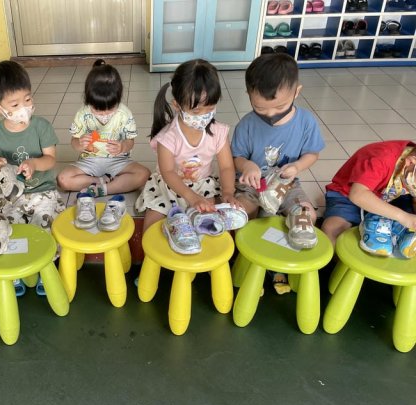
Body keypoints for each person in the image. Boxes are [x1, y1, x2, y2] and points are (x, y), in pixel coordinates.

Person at [231, 53, 324, 293]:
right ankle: (247, 257)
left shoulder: (306, 122)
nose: (271, 114)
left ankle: (281, 256)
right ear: (249, 95)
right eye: (260, 107)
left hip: (286, 184)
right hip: (252, 184)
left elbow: (312, 153)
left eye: (280, 107)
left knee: (308, 213)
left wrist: (297, 167)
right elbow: (236, 157)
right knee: (241, 213)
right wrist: (247, 165)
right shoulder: (247, 124)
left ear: (297, 92)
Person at [134, 59, 243, 254]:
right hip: (169, 187)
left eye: (210, 108)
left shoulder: (219, 132)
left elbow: (226, 167)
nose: (204, 115)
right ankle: (155, 261)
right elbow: (168, 173)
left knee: (215, 223)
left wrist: (228, 192)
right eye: (197, 111)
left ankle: (205, 253)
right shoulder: (168, 137)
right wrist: (192, 198)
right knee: (151, 228)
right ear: (177, 105)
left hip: (203, 185)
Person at [0, 60, 64, 295]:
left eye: (27, 99)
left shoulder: (41, 127)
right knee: (10, 225)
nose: (24, 108)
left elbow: (51, 159)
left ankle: (46, 266)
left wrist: (34, 163)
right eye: (15, 104)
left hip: (42, 190)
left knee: (44, 223)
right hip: (12, 197)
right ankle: (16, 270)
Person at [57, 59, 150, 198]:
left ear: (118, 99)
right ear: (88, 100)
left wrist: (122, 147)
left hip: (118, 160)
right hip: (90, 161)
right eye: (97, 110)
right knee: (63, 180)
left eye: (110, 109)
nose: (104, 114)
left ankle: (104, 189)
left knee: (144, 174)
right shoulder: (83, 114)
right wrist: (80, 143)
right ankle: (100, 181)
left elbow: (130, 141)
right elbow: (74, 141)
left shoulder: (124, 114)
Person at [321, 140, 416, 257]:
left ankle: (401, 237)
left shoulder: (411, 170)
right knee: (333, 229)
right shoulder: (382, 158)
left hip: (391, 196)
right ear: (410, 162)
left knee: (409, 224)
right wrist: (403, 216)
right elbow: (358, 195)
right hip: (348, 194)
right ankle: (339, 262)